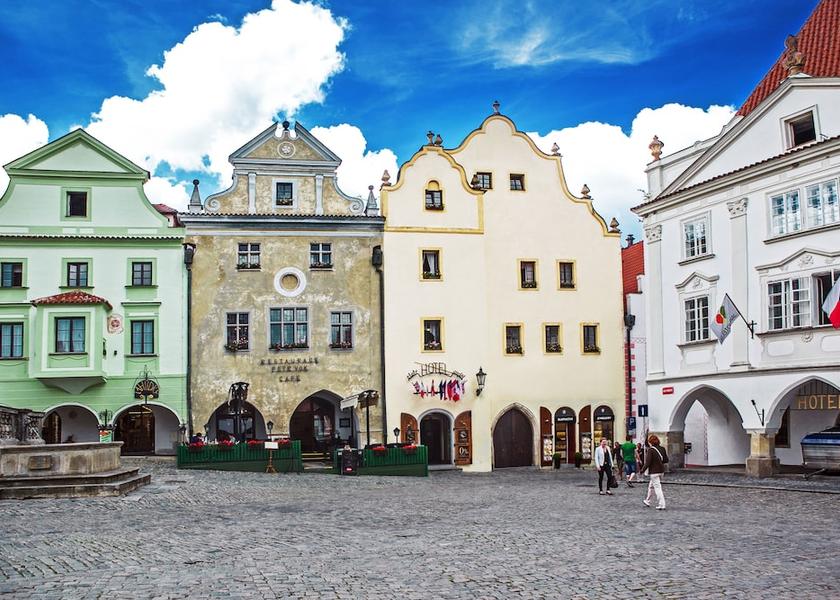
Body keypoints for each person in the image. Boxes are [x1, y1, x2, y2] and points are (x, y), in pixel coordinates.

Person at [642, 434, 667, 510]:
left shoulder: (651, 450)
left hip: (654, 472)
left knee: (657, 488)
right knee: (651, 486)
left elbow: (648, 462)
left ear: (651, 442)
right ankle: (647, 500)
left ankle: (662, 504)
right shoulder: (662, 448)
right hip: (661, 471)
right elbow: (666, 460)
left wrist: (642, 470)